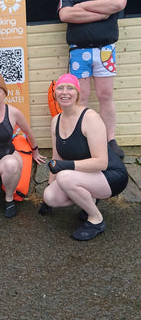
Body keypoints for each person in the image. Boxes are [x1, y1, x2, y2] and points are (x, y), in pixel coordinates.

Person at [58, 0, 127, 159]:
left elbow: (119, 3)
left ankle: (109, 140)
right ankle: (83, 141)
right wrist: (101, 12)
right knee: (82, 98)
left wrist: (82, 7)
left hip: (106, 50)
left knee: (105, 95)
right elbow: (65, 15)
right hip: (79, 51)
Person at [40, 73, 128, 241]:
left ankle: (96, 219)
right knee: (50, 196)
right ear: (55, 93)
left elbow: (101, 163)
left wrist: (66, 167)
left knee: (65, 177)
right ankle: (90, 199)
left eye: (70, 88)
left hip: (112, 176)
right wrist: (50, 186)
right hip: (89, 176)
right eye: (60, 88)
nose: (64, 92)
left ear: (77, 93)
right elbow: (56, 158)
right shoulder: (56, 120)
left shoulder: (90, 118)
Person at [0, 72, 46, 218]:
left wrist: (35, 151)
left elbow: (28, 133)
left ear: (4, 93)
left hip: (6, 156)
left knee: (12, 165)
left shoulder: (13, 113)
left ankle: (9, 199)